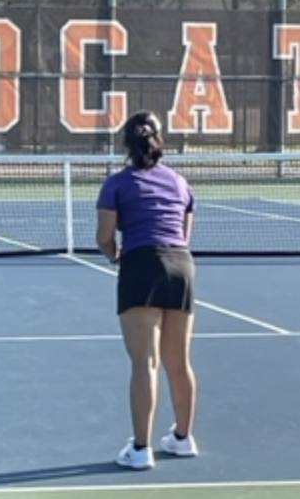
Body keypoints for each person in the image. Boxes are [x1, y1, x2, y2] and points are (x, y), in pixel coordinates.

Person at [96, 109, 198, 470]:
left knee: (145, 362)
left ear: (126, 142)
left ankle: (141, 449)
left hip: (142, 265)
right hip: (181, 267)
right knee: (178, 361)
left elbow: (105, 238)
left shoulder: (117, 184)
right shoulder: (181, 182)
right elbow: (183, 236)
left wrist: (118, 258)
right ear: (159, 140)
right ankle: (183, 439)